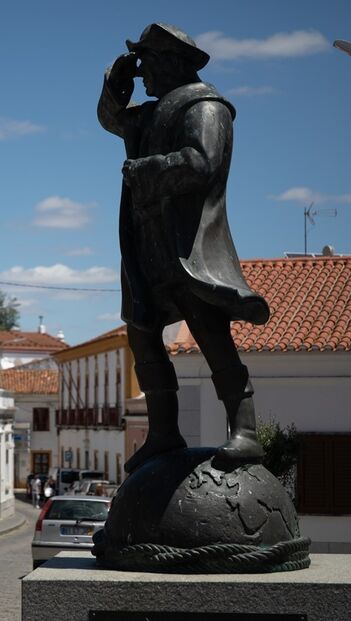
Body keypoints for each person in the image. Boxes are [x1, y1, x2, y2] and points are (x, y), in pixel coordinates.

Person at [98, 23, 270, 474]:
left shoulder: (205, 106)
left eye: (147, 63)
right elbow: (112, 120)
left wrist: (149, 169)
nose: (144, 74)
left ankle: (245, 431)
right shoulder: (153, 113)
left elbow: (203, 161)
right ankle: (163, 433)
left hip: (187, 245)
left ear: (170, 63)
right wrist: (116, 86)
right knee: (142, 332)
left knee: (210, 331)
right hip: (146, 247)